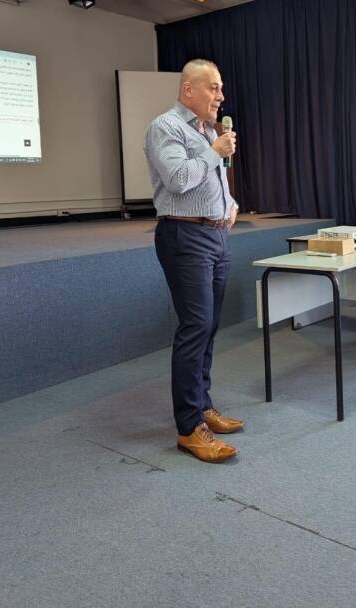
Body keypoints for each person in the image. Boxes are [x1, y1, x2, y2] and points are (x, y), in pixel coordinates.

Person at [144, 59, 243, 463]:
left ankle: (202, 406)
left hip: (215, 235)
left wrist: (230, 203)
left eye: (220, 88)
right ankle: (189, 428)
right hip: (184, 236)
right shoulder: (166, 127)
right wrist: (214, 151)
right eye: (213, 87)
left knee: (209, 325)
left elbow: (213, 182)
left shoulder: (207, 131)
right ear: (189, 89)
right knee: (195, 326)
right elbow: (179, 179)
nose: (221, 96)